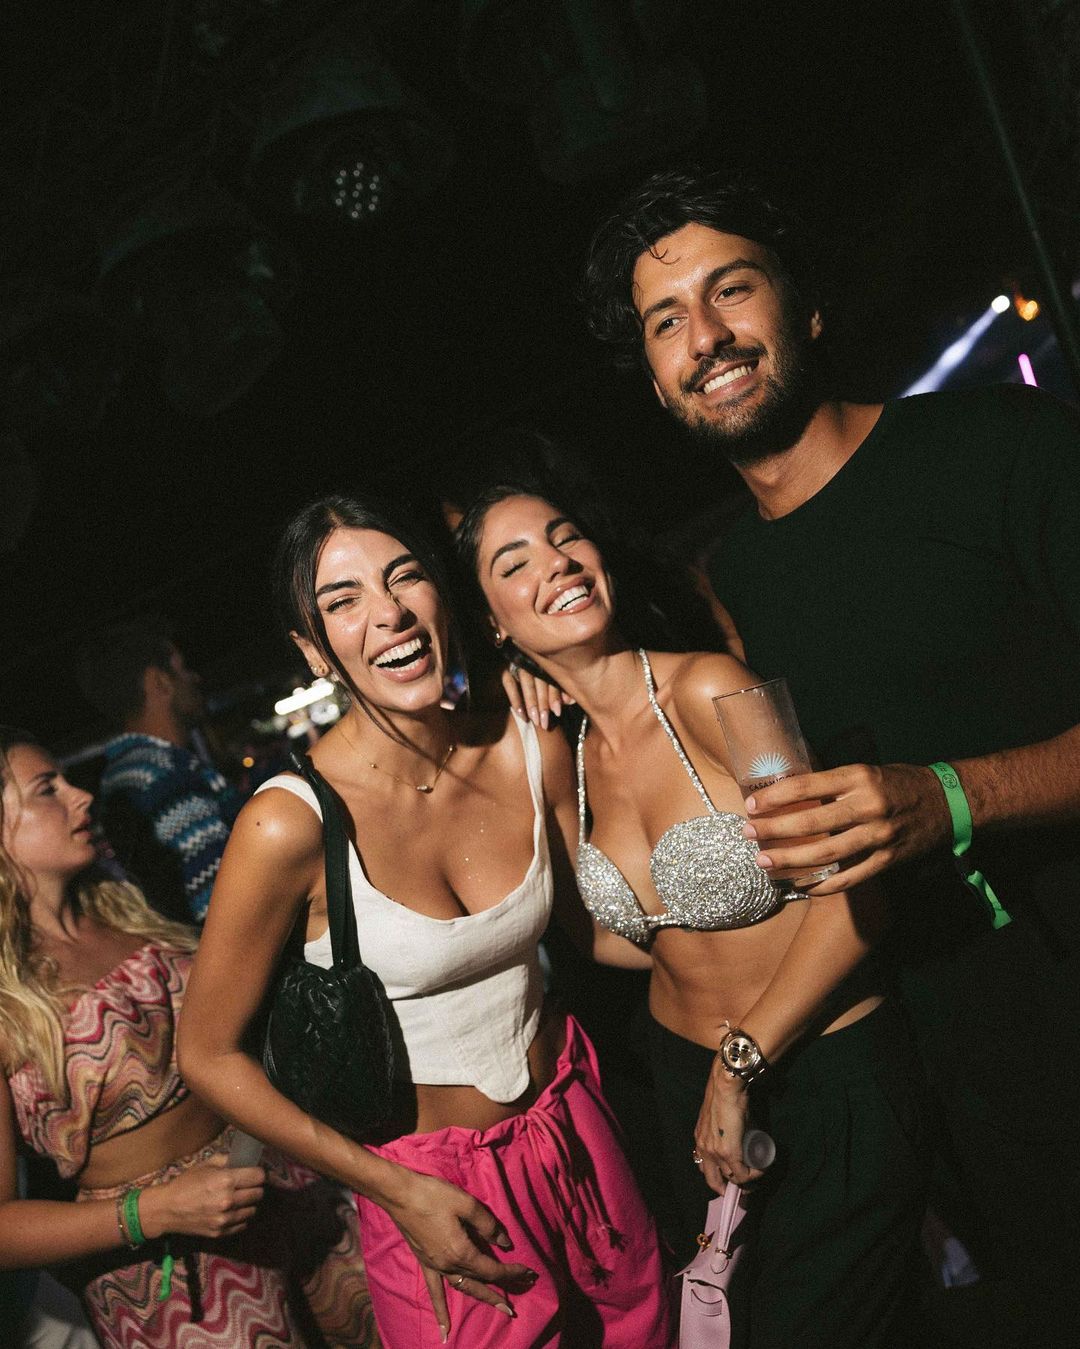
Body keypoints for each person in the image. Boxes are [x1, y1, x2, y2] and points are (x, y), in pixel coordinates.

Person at [581, 167, 1080, 1340]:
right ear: (655, 379)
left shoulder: (999, 442)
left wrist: (950, 798)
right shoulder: (744, 579)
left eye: (731, 290)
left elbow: (927, 792)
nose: (707, 338)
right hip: (963, 1063)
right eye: (666, 322)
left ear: (803, 307)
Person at [176, 494, 674, 1349]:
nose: (389, 612)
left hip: (578, 1133)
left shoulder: (530, 746)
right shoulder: (289, 824)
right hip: (438, 1194)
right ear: (314, 650)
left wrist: (751, 931)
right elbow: (206, 1053)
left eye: (404, 577)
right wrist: (391, 1189)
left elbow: (595, 931)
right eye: (344, 601)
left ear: (442, 596)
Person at [457, 483, 927, 1349]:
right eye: (514, 562)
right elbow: (594, 930)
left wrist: (738, 1061)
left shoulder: (711, 687)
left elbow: (858, 894)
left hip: (822, 1072)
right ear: (491, 621)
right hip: (686, 1089)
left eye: (565, 536)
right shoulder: (564, 754)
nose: (556, 563)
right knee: (737, 1325)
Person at [0, 726, 374, 1348]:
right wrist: (154, 1212)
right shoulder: (7, 997)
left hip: (284, 1186)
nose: (80, 797)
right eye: (47, 789)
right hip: (172, 1270)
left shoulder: (128, 909)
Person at [75, 620, 243, 924]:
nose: (194, 677)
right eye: (182, 669)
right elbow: (223, 900)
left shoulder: (127, 774)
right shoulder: (162, 777)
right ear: (160, 682)